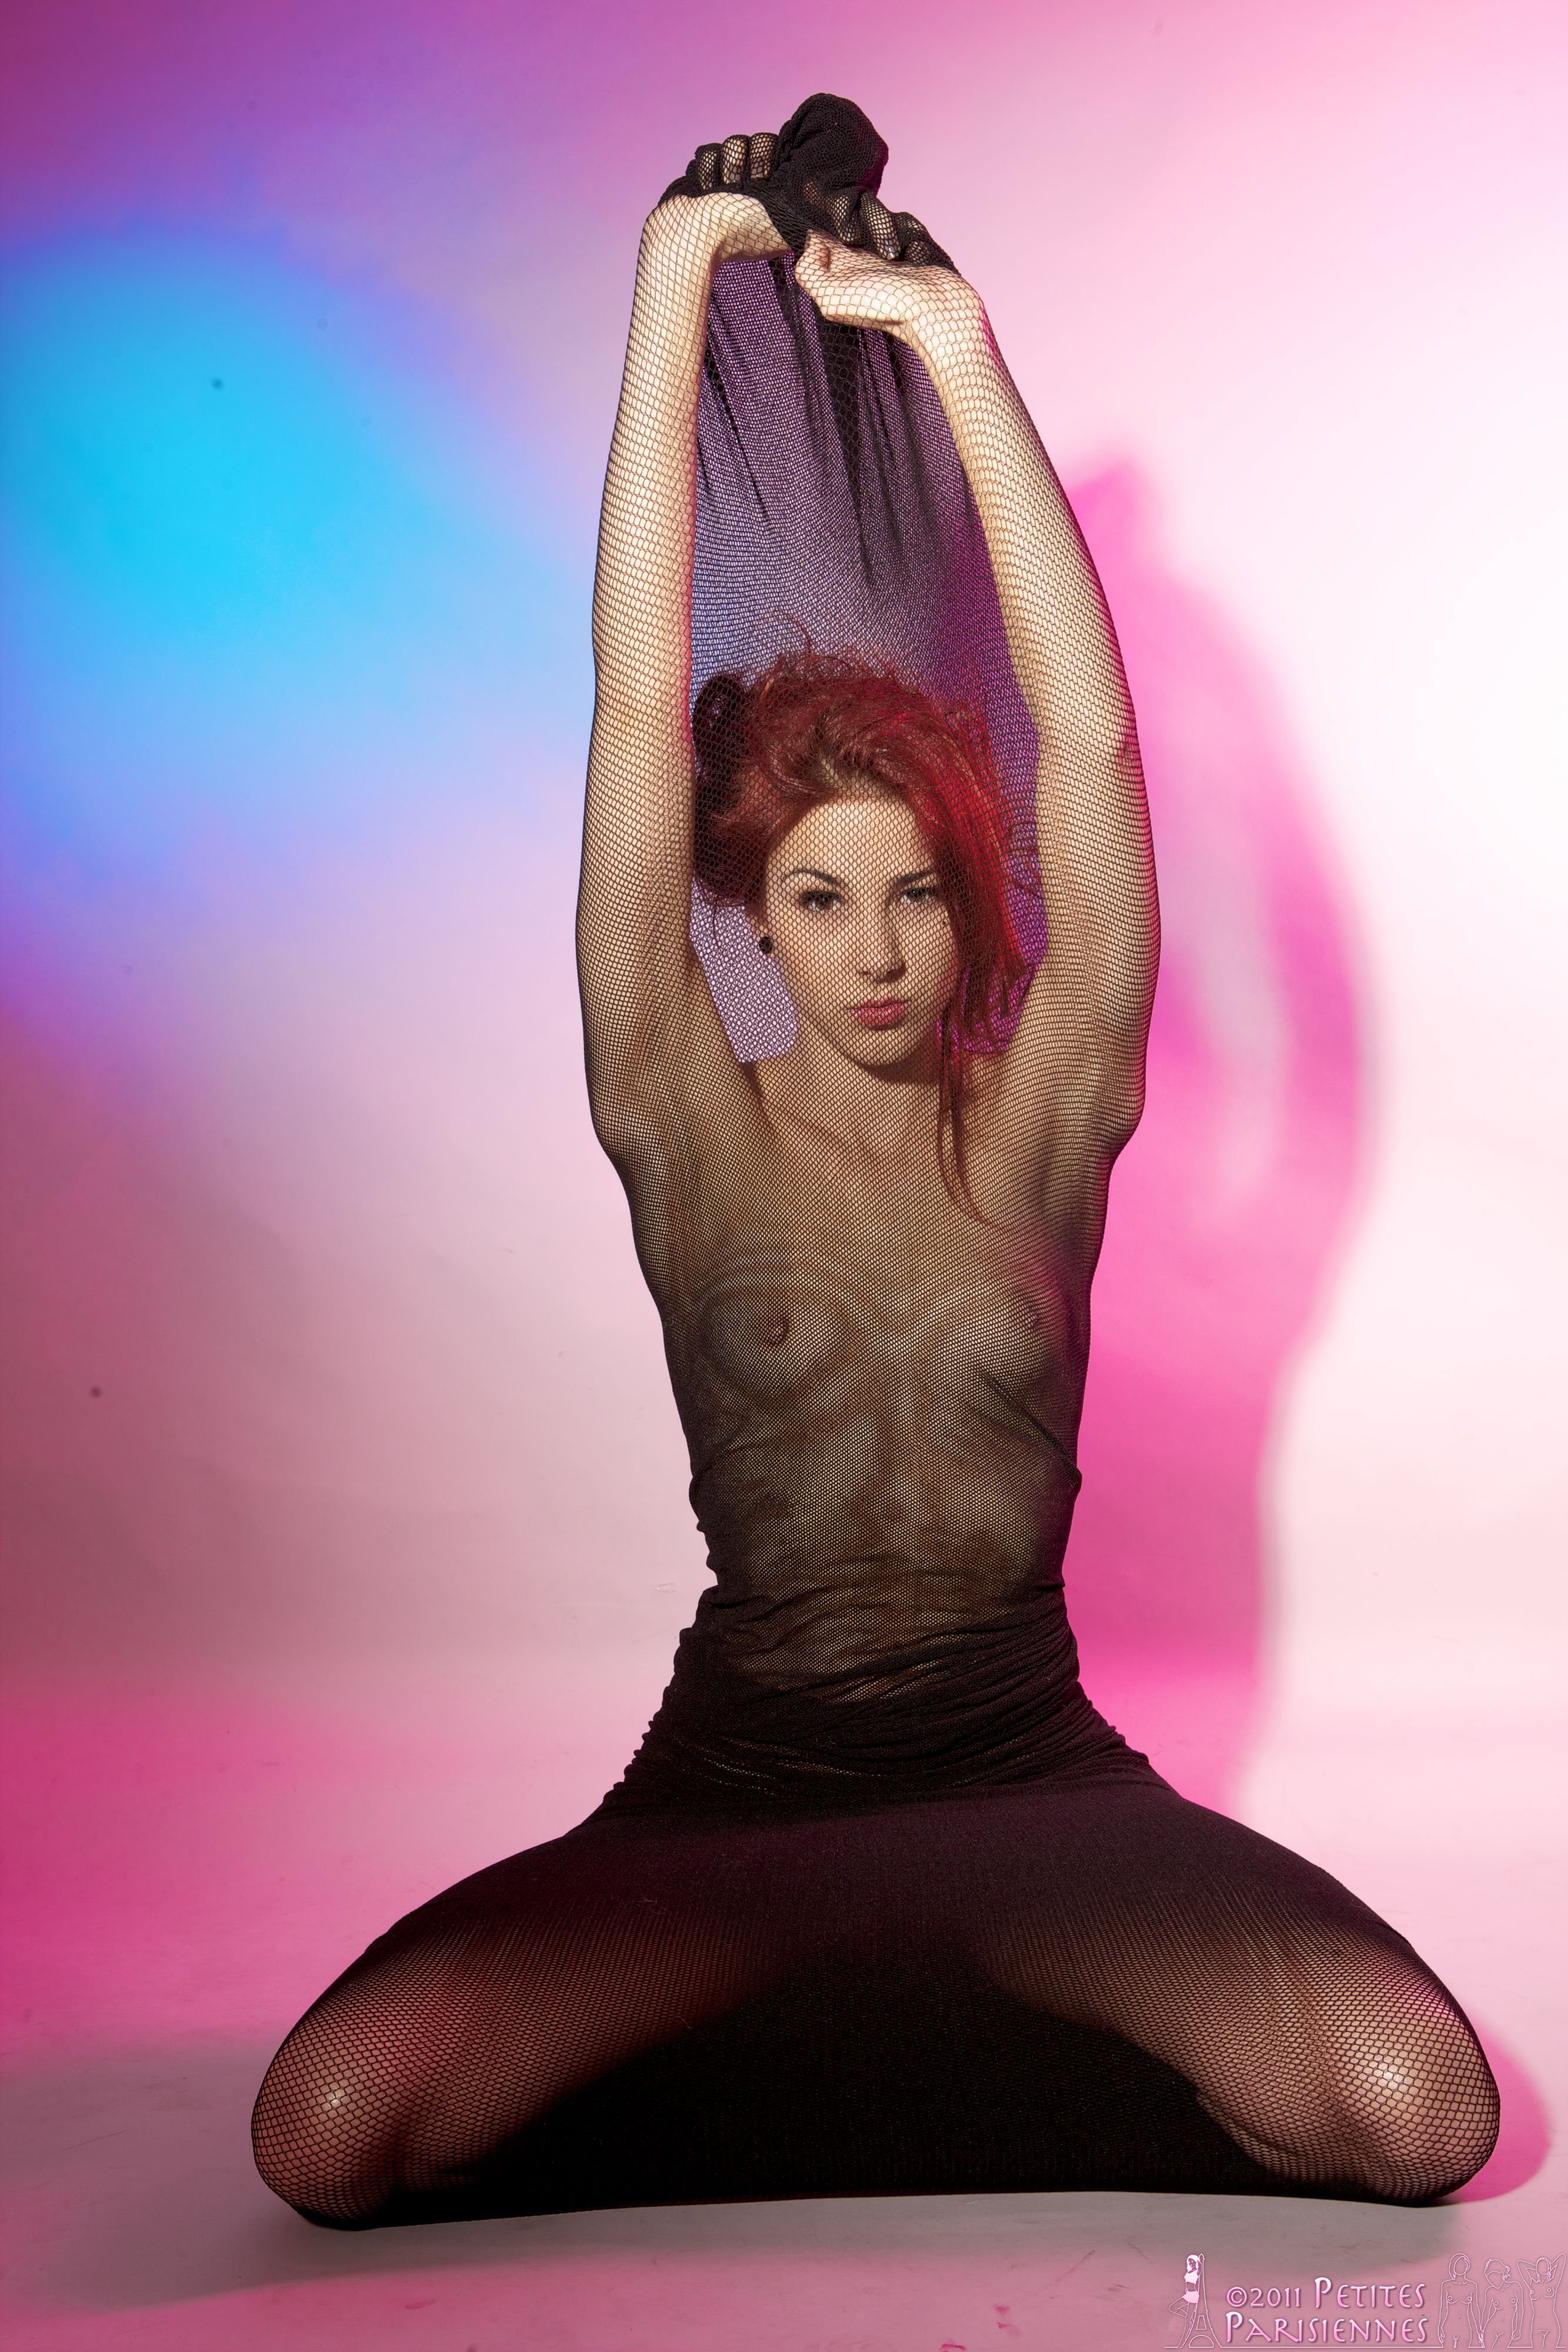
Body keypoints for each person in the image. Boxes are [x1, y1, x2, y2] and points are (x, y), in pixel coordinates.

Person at [252, 99, 1498, 2227]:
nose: (879, 951)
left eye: (917, 891)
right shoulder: (681, 1116)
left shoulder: (1044, 1119)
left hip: (1030, 1791)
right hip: (730, 1804)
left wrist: (954, 347)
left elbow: (1089, 746)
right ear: (750, 917)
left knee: (1412, 2113)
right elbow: (633, 710)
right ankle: (866, 2035)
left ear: (966, 899)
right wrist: (672, 282)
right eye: (821, 902)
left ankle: (919, 2037)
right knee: (334, 2134)